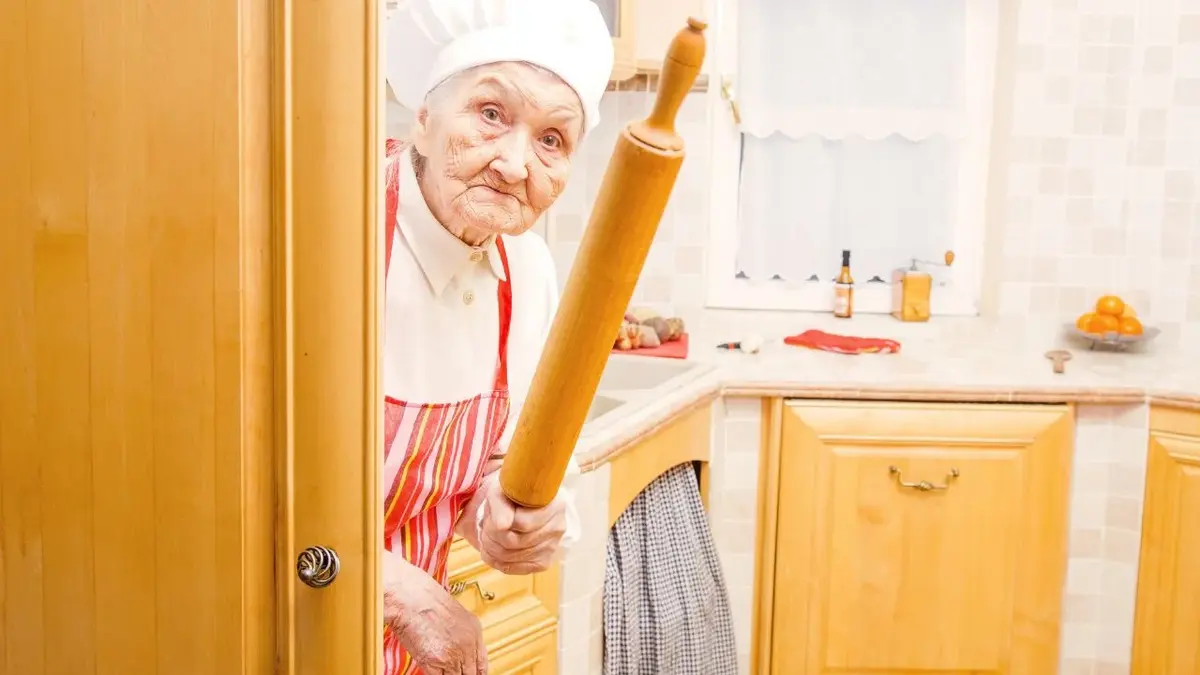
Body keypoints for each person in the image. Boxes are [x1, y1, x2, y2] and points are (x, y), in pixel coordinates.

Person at [381, 1, 614, 673]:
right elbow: (248, 486)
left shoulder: (527, 269)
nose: (515, 165)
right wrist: (400, 594)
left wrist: (510, 523)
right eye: (490, 115)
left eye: (551, 140)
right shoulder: (336, 232)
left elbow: (498, 470)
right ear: (423, 120)